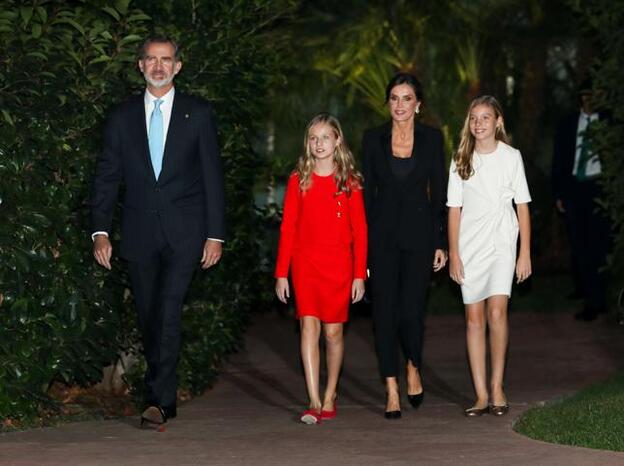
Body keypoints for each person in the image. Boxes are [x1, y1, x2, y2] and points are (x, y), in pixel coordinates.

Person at [91, 36, 225, 428]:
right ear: (140, 66)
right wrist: (100, 230)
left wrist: (215, 234)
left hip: (186, 233)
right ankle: (162, 387)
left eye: (166, 60)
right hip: (138, 233)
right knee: (150, 316)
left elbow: (212, 177)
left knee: (167, 310)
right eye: (151, 59)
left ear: (178, 66)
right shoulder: (121, 117)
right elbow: (106, 176)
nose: (159, 66)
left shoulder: (197, 114)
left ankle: (159, 401)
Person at [362, 73, 447, 420]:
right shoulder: (372, 139)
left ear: (418, 104)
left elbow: (439, 192)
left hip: (419, 237)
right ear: (389, 103)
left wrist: (441, 241)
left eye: (406, 98)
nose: (399, 105)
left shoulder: (431, 139)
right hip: (381, 239)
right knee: (384, 315)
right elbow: (367, 196)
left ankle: (413, 363)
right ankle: (392, 386)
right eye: (394, 98)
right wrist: (362, 246)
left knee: (411, 312)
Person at [275, 113, 367, 425]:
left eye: (325, 137)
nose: (319, 144)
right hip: (305, 264)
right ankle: (313, 399)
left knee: (333, 331)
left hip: (339, 265)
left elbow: (361, 231)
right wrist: (280, 273)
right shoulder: (298, 179)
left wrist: (359, 274)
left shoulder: (349, 181)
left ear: (337, 140)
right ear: (308, 143)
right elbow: (288, 228)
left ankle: (330, 394)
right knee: (308, 328)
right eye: (313, 138)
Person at [447, 95, 531, 417]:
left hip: (501, 242)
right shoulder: (460, 158)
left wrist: (524, 253)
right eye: (473, 118)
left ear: (497, 121)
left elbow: (522, 207)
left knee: (497, 313)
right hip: (470, 245)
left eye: (485, 117)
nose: (479, 123)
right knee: (474, 318)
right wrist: (454, 253)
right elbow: (454, 210)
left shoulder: (511, 157)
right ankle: (480, 393)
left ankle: (497, 386)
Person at [552, 78, 611, 321]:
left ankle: (597, 298)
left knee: (599, 245)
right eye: (584, 95)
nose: (588, 101)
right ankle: (591, 296)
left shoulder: (610, 122)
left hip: (601, 189)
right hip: (575, 189)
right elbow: (559, 160)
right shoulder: (568, 124)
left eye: (593, 95)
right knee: (580, 245)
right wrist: (559, 194)